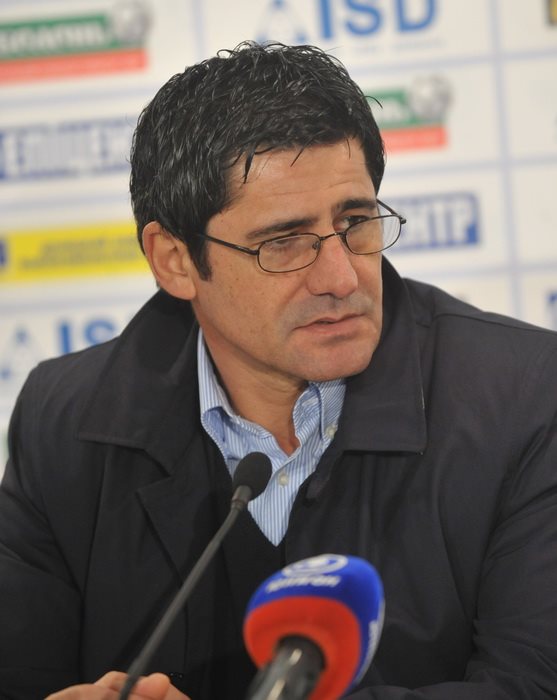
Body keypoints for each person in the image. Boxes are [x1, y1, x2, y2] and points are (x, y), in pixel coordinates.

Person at [1, 41, 557, 700]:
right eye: (283, 242)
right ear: (175, 260)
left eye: (356, 222)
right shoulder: (64, 421)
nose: (341, 277)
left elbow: (531, 683)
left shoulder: (525, 397)